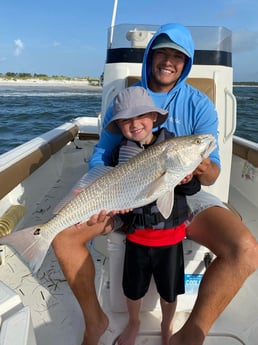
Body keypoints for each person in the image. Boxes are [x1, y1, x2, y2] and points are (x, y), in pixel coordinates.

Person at [51, 23, 258, 345]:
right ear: (150, 56)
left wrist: (201, 167)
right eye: (162, 52)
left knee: (245, 250)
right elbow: (102, 155)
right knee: (63, 237)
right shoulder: (125, 101)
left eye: (177, 55)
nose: (168, 61)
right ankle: (96, 321)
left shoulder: (199, 103)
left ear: (186, 62)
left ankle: (190, 333)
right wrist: (95, 193)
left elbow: (213, 172)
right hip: (127, 193)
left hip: (185, 195)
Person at [105, 86, 201, 345]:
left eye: (141, 117)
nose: (135, 125)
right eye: (126, 120)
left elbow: (194, 188)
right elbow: (116, 190)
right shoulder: (119, 153)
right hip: (136, 236)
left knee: (170, 292)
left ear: (155, 117)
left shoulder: (175, 148)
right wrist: (116, 211)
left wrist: (187, 178)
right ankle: (134, 322)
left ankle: (167, 323)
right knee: (132, 288)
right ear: (119, 126)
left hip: (170, 238)